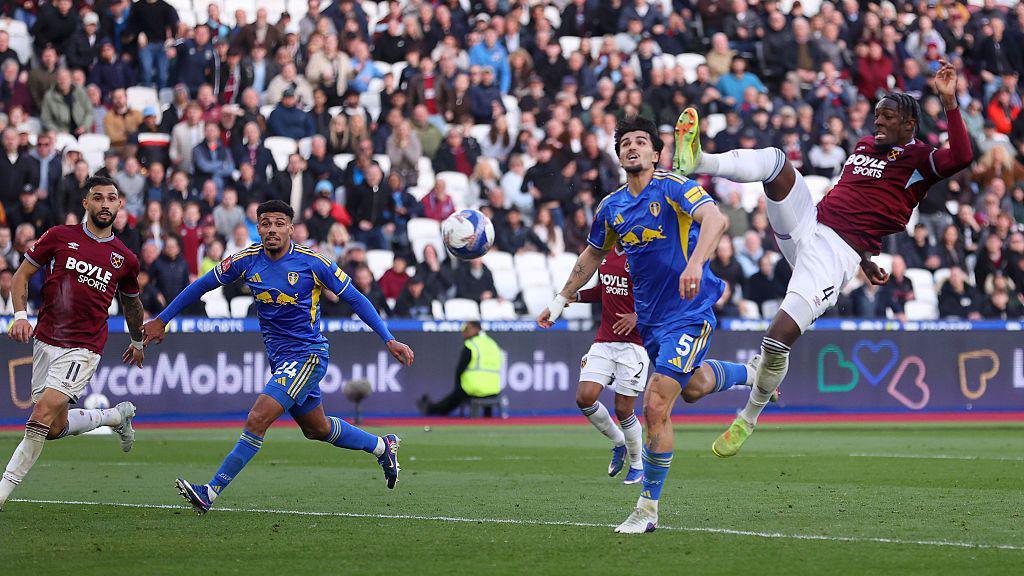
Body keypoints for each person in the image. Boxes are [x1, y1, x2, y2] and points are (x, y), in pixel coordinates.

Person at [673, 61, 973, 457]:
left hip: (833, 258)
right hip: (810, 223)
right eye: (876, 114)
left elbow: (964, 156)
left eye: (887, 116)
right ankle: (698, 162)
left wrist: (950, 102)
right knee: (776, 163)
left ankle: (747, 417)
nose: (877, 122)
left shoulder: (919, 158)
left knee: (776, 339)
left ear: (909, 124)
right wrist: (870, 258)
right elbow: (862, 204)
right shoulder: (865, 146)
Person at [537, 116, 759, 534]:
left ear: (657, 153)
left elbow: (716, 221)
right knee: (691, 389)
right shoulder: (611, 207)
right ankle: (751, 372)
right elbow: (591, 256)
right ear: (619, 155)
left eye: (642, 141)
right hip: (653, 325)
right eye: (625, 143)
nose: (633, 147)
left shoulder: (673, 186)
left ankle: (647, 509)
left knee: (655, 405)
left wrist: (694, 264)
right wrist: (561, 298)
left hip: (690, 312)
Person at [143, 200, 414, 514]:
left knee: (258, 418)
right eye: (265, 223)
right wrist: (162, 319)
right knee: (317, 429)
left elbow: (355, 298)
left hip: (308, 355)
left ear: (291, 228)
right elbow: (201, 285)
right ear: (258, 228)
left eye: (279, 223)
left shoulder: (313, 263)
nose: (272, 229)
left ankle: (210, 491)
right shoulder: (246, 260)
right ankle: (383, 446)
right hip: (280, 360)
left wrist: (389, 339)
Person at [0, 176, 145, 511]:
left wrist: (137, 339)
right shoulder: (59, 236)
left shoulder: (124, 258)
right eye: (98, 198)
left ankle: (3, 493)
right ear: (86, 203)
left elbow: (132, 302)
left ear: (119, 205)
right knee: (52, 428)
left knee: (39, 415)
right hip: (46, 340)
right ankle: (112, 417)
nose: (105, 204)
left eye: (111, 198)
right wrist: (20, 315)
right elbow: (21, 276)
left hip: (85, 346)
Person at [569, 245, 647, 485]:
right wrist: (577, 295)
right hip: (605, 340)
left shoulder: (644, 255)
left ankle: (638, 466)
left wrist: (637, 316)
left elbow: (661, 297)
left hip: (634, 345)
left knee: (624, 409)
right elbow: (605, 289)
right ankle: (619, 442)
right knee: (585, 397)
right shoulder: (605, 253)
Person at [418, 321, 503, 416]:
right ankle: (488, 416)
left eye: (466, 329)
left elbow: (460, 369)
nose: (463, 333)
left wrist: (457, 386)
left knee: (456, 395)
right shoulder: (493, 343)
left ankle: (432, 409)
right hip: (494, 388)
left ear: (476, 329)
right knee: (460, 393)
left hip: (474, 389)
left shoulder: (471, 345)